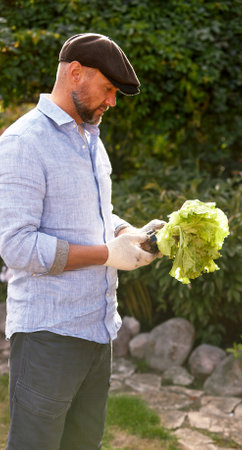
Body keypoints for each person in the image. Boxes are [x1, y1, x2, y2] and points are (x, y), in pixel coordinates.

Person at [0, 33, 164, 450]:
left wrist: (128, 233)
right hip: (48, 336)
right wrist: (109, 254)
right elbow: (17, 246)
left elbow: (92, 215)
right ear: (75, 73)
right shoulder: (23, 143)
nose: (111, 101)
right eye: (108, 89)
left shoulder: (90, 138)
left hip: (97, 332)